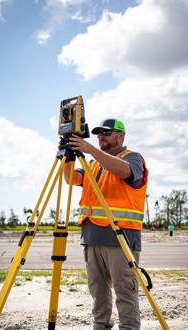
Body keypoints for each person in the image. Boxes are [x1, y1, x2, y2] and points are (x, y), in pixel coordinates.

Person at [63, 118, 148, 330]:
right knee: (98, 290)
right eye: (98, 133)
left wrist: (89, 149)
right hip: (92, 238)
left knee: (124, 291)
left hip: (121, 238)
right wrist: (68, 155)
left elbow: (124, 172)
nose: (101, 136)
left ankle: (128, 327)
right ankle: (101, 326)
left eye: (106, 132)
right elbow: (70, 179)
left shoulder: (133, 158)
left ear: (121, 136)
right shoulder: (93, 164)